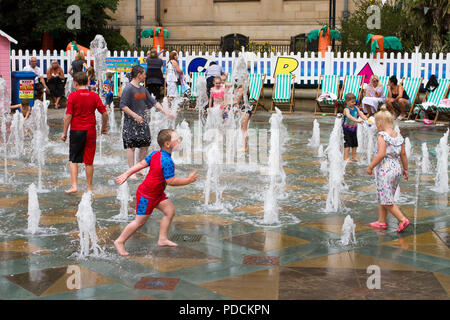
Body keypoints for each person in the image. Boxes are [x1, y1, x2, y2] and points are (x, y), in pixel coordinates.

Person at [113, 129, 198, 256]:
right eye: (177, 139)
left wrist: (127, 173)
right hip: (146, 196)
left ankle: (162, 238)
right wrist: (188, 180)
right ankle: (120, 241)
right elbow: (171, 181)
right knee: (139, 222)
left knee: (169, 211)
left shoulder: (155, 154)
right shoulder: (167, 161)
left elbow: (141, 164)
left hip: (156, 194)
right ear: (168, 144)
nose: (180, 141)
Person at [120, 65, 175, 178]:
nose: (146, 76)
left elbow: (154, 102)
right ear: (139, 75)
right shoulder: (128, 89)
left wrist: (166, 112)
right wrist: (135, 116)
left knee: (144, 145)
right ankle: (131, 171)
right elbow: (123, 106)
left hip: (143, 122)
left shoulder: (143, 89)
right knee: (131, 146)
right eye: (144, 74)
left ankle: (139, 169)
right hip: (131, 123)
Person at [61, 72, 108, 194]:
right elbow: (105, 113)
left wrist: (64, 132)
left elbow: (68, 116)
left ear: (75, 83)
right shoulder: (94, 96)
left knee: (73, 159)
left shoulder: (72, 96)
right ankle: (89, 188)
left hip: (76, 131)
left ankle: (74, 186)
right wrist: (104, 127)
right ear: (87, 83)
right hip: (90, 131)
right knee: (89, 161)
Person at [366, 105, 410, 233]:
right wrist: (405, 169)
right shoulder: (398, 136)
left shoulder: (382, 136)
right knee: (384, 196)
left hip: (385, 170)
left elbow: (381, 154)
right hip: (396, 168)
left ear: (379, 123)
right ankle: (381, 221)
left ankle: (403, 219)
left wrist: (370, 166)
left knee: (386, 200)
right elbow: (403, 154)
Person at [342, 93, 367, 162]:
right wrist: (358, 121)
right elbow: (349, 116)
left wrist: (367, 119)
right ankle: (346, 158)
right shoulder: (346, 109)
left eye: (354, 101)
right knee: (347, 144)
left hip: (354, 129)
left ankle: (353, 156)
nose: (354, 103)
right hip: (346, 129)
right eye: (352, 102)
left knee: (354, 143)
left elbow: (361, 114)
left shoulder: (356, 108)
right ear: (347, 101)